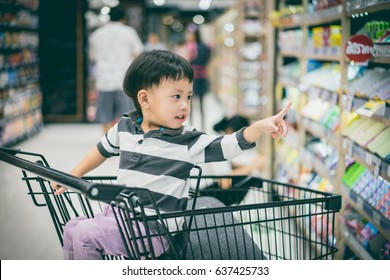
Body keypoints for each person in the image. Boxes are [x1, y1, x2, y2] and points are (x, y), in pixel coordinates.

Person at [50, 49, 292, 260]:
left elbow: (228, 144)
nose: (185, 105)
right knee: (73, 227)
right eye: (176, 96)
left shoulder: (187, 140)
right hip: (120, 217)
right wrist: (72, 175)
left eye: (188, 96)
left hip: (153, 231)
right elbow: (101, 151)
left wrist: (259, 127)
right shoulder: (125, 127)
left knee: (84, 236)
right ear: (144, 99)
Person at [89, 6, 144, 133]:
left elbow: (93, 56)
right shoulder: (129, 32)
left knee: (105, 115)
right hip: (124, 80)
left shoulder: (97, 34)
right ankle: (124, 140)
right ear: (123, 18)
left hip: (104, 80)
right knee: (127, 114)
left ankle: (107, 142)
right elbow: (138, 54)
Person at [198, 115, 266, 205]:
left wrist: (248, 167)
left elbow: (229, 164)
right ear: (231, 131)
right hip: (205, 195)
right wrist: (254, 166)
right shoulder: (217, 146)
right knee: (251, 179)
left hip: (204, 191)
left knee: (248, 174)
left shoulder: (217, 139)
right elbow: (224, 181)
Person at [184, 24, 211, 131]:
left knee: (189, 102)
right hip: (202, 76)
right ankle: (202, 127)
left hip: (193, 77)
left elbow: (186, 61)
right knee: (200, 103)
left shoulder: (191, 46)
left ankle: (191, 126)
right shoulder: (205, 47)